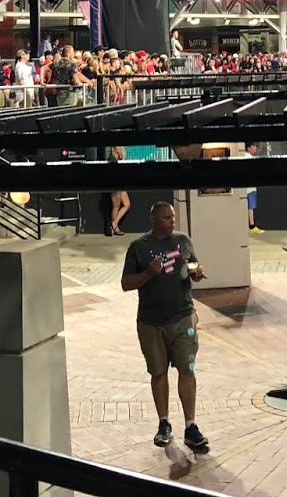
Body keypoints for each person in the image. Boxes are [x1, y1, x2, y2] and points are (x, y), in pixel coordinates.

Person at [121, 201, 210, 454]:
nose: (172, 221)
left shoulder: (183, 240)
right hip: (151, 323)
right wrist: (149, 274)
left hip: (184, 317)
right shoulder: (138, 247)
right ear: (154, 220)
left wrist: (196, 273)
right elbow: (126, 283)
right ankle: (164, 423)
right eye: (167, 218)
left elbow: (193, 265)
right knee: (158, 372)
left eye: (173, 217)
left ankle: (191, 426)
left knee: (187, 368)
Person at [101, 145, 131, 236]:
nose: (122, 148)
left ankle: (114, 224)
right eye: (120, 146)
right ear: (114, 148)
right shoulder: (112, 159)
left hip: (120, 184)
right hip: (115, 185)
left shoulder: (117, 159)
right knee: (116, 206)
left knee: (127, 204)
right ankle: (114, 227)